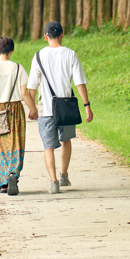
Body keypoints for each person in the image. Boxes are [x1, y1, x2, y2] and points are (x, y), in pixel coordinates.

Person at [27, 20, 93, 194]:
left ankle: (53, 182)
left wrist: (32, 108)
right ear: (63, 34)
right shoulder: (70, 54)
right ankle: (64, 175)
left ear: (45, 36)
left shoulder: (39, 56)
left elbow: (32, 86)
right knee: (66, 141)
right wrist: (87, 106)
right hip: (66, 108)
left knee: (48, 147)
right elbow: (80, 83)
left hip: (46, 110)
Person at [0, 36, 37, 195]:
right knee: (15, 144)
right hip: (16, 110)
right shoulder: (18, 68)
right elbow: (24, 93)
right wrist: (33, 110)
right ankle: (13, 174)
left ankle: (3, 183)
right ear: (12, 51)